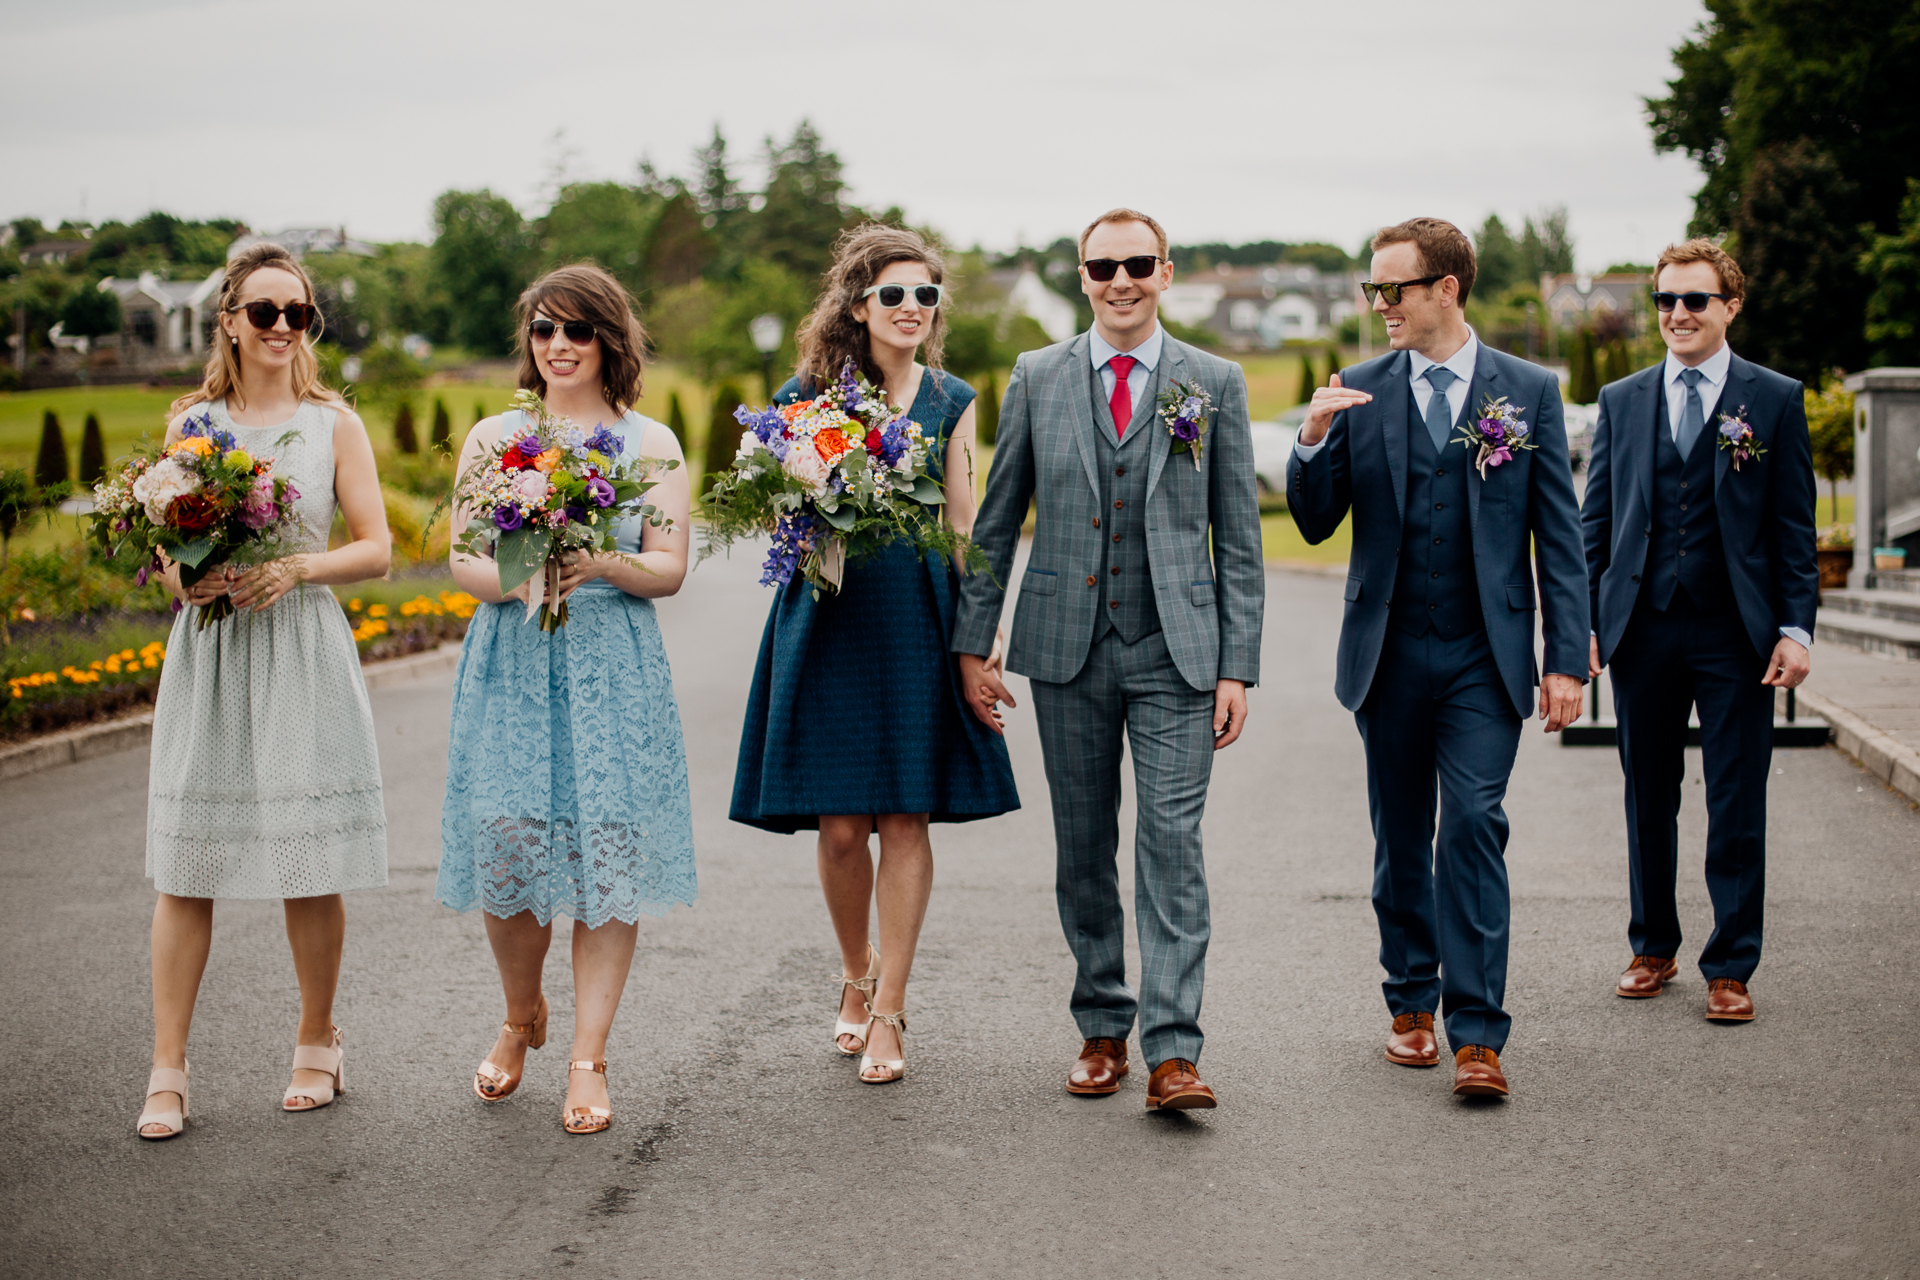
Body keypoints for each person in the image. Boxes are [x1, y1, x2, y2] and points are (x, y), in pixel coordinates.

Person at [953, 208, 1263, 1111]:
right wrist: (976, 643)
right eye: (1101, 267)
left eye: (1137, 264)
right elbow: (999, 519)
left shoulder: (1214, 380)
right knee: (1083, 848)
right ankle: (1101, 1027)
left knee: (1171, 844)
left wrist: (1237, 664)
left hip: (1181, 652)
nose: (1119, 281)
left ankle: (1173, 1051)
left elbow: (1238, 539)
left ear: (1166, 272)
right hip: (1065, 646)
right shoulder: (1036, 375)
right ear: (1083, 276)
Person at [1286, 218, 1588, 1100]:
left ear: (1445, 290)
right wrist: (1311, 438)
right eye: (1372, 291)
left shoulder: (1526, 390)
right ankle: (1410, 1002)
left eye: (1394, 290)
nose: (1379, 305)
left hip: (1482, 655)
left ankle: (1479, 1033)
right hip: (1385, 652)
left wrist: (1564, 658)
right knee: (1400, 836)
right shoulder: (1359, 386)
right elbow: (1313, 520)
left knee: (1472, 826)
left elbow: (1559, 540)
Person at [732, 224, 1019, 1085]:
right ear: (858, 305)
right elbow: (763, 503)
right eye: (893, 294)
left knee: (905, 816)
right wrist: (801, 494)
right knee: (840, 826)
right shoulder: (806, 394)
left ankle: (890, 1005)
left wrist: (983, 633)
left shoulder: (952, 399)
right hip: (826, 610)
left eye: (925, 296)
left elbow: (965, 522)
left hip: (916, 613)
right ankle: (853, 969)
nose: (910, 309)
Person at [135, 242, 392, 1139]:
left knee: (306, 857)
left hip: (299, 641)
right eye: (265, 312)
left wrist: (299, 567)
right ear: (230, 322)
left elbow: (377, 547)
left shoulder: (334, 424)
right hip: (211, 652)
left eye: (299, 314)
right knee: (186, 863)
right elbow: (165, 554)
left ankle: (317, 1041)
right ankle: (168, 1069)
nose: (283, 328)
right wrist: (182, 582)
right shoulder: (193, 424)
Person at [437, 264, 695, 1134]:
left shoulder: (650, 440)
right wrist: (515, 584)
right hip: (514, 656)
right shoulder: (492, 435)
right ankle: (521, 1014)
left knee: (605, 858)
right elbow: (464, 557)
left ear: (608, 341)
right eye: (544, 331)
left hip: (610, 663)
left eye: (576, 331)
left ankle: (589, 1057)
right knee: (509, 850)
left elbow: (667, 566)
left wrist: (597, 563)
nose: (557, 347)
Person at [1582, 239, 1817, 1022]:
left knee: (1736, 795)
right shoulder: (1622, 399)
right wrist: (1583, 624)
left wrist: (1796, 629)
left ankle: (1732, 966)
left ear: (1730, 305)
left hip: (1736, 634)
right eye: (1665, 301)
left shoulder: (1775, 399)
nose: (1677, 314)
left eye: (1694, 300)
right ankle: (1652, 946)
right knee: (1648, 794)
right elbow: (1598, 524)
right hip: (1642, 630)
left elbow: (1792, 528)